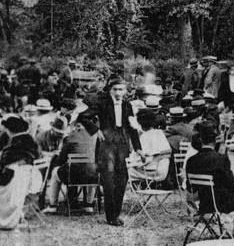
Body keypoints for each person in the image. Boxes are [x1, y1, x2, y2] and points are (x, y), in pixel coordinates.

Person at [184, 121, 234, 238]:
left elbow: (190, 188)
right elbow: (232, 186)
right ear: (215, 140)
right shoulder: (221, 159)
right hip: (222, 204)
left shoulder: (191, 161)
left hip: (203, 204)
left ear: (201, 140)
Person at [96, 76, 141, 226]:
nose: (118, 92)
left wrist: (138, 148)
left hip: (122, 145)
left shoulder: (128, 106)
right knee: (108, 179)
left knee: (122, 179)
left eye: (121, 89)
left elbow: (133, 128)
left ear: (125, 91)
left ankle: (116, 213)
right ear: (110, 90)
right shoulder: (102, 103)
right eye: (115, 89)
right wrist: (96, 130)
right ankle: (110, 216)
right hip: (107, 145)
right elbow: (83, 116)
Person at [0, 134, 43, 230]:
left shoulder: (14, 159)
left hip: (17, 185)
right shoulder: (28, 157)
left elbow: (7, 173)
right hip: (30, 183)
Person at [46, 110, 100, 213]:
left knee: (54, 172)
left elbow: (62, 159)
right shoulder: (95, 137)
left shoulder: (69, 136)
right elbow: (97, 156)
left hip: (72, 175)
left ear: (77, 125)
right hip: (91, 176)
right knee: (92, 169)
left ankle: (53, 205)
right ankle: (89, 205)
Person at [128, 109, 171, 184]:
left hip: (153, 171)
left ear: (140, 123)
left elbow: (144, 159)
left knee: (126, 171)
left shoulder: (144, 136)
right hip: (163, 170)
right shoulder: (160, 133)